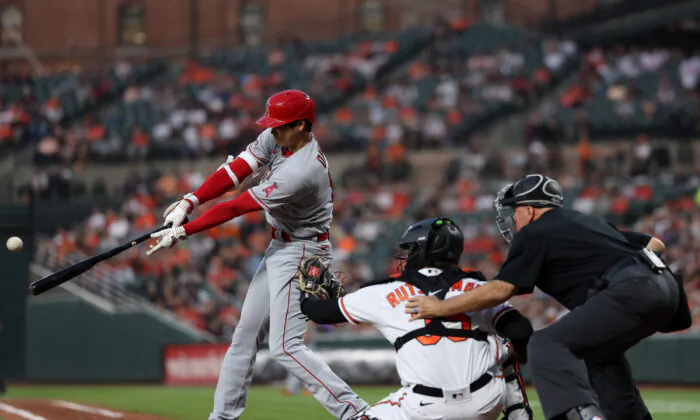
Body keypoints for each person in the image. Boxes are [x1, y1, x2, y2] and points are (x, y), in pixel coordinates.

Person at [147, 90, 368, 420]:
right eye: (273, 125)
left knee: (285, 347)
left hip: (305, 252)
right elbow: (236, 171)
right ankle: (222, 417)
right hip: (280, 246)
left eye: (281, 126)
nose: (274, 131)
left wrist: (184, 231)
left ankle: (357, 413)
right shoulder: (279, 137)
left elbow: (238, 205)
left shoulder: (302, 171)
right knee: (244, 337)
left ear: (303, 125)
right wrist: (190, 201)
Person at [405, 174, 692, 420]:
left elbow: (500, 290)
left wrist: (440, 307)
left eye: (515, 210)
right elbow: (656, 243)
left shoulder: (534, 233)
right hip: (665, 289)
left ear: (529, 210)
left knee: (546, 344)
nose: (513, 217)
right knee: (601, 355)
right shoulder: (584, 222)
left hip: (633, 288)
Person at [298, 217, 534, 420]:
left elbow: (318, 312)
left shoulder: (385, 291)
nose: (406, 256)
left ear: (423, 251)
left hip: (424, 406)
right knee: (501, 349)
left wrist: (308, 291)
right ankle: (517, 412)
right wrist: (517, 354)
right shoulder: (480, 287)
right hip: (485, 403)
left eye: (410, 249)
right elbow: (522, 332)